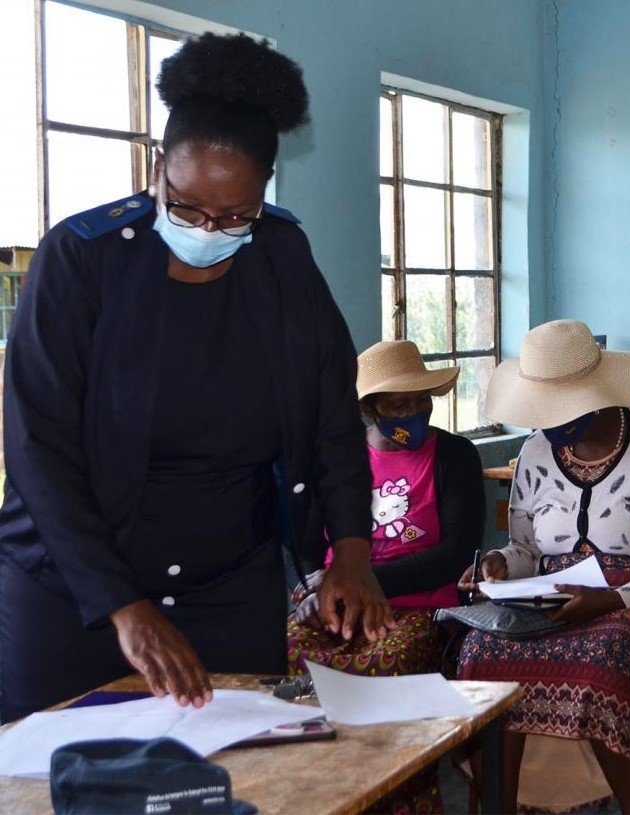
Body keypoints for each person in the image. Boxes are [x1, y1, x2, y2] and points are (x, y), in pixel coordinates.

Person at [0, 34, 390, 723]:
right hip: (78, 588)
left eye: (236, 215)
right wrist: (123, 604)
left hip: (229, 586)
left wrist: (351, 551)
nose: (209, 229)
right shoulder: (82, 261)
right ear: (158, 169)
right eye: (184, 205)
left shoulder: (283, 258)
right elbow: (39, 448)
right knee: (54, 767)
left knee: (242, 765)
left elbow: (332, 416)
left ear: (265, 191)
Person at [455, 319, 630, 815]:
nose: (550, 421)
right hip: (550, 602)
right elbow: (526, 549)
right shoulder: (535, 451)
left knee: (606, 656)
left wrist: (613, 599)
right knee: (480, 651)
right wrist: (498, 563)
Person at [287, 340, 483, 676]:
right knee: (281, 657)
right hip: (335, 606)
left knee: (386, 665)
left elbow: (457, 554)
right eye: (399, 405)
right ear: (370, 409)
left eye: (422, 400)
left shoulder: (454, 456)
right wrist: (308, 591)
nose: (414, 412)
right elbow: (302, 545)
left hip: (418, 605)